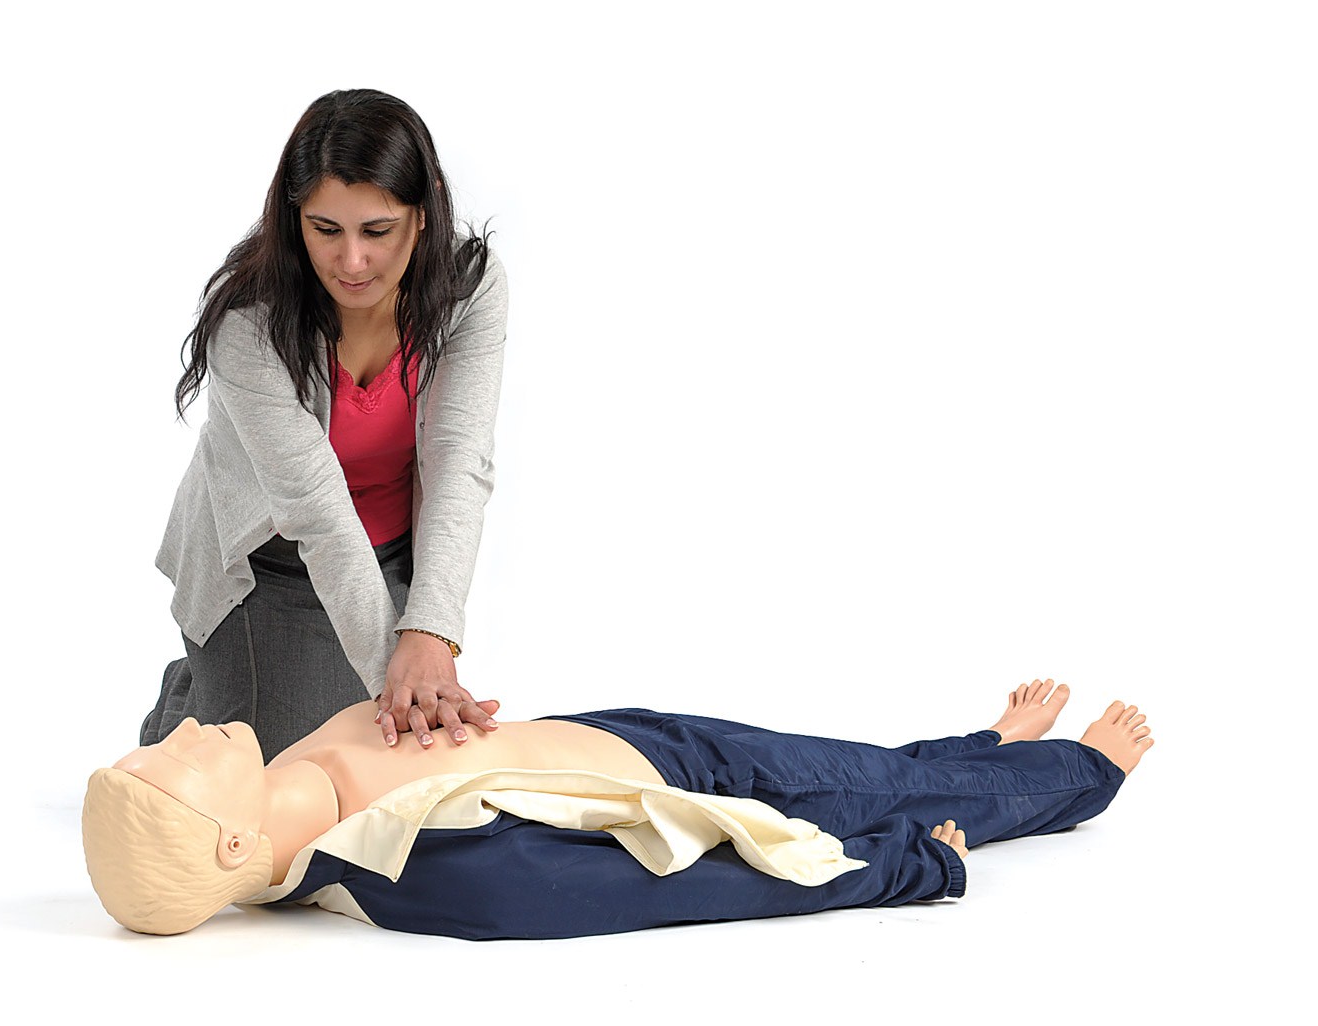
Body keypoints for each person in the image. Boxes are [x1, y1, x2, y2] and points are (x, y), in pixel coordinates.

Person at [85, 679, 1153, 939]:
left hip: (615, 731)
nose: (185, 730)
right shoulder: (413, 869)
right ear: (232, 841)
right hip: (690, 788)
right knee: (869, 793)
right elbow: (657, 889)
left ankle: (977, 751)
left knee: (856, 761)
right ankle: (1076, 775)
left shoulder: (289, 773)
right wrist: (904, 867)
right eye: (173, 762)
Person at [142, 88, 509, 758]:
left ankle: (233, 684)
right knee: (278, 769)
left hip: (388, 554)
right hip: (270, 565)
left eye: (377, 231)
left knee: (394, 758)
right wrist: (400, 690)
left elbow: (460, 460)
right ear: (295, 219)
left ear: (424, 211)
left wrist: (429, 632)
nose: (352, 262)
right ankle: (194, 697)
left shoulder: (469, 286)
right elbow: (314, 509)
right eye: (326, 230)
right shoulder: (248, 322)